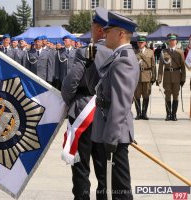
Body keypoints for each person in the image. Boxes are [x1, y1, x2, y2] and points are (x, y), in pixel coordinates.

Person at [61, 7, 112, 200]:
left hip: (83, 111)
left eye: (92, 27)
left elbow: (69, 84)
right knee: (103, 168)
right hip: (106, 115)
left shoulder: (86, 52)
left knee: (81, 167)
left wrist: (71, 102)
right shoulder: (118, 53)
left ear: (99, 30)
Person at [91, 11, 139, 200]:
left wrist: (110, 138)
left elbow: (120, 103)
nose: (104, 34)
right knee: (111, 186)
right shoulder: (118, 55)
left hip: (114, 134)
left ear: (120, 34)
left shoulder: (124, 59)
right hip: (108, 129)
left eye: (109, 31)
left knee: (119, 189)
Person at [157, 33, 186, 121]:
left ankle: (174, 114)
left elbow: (183, 67)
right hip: (167, 77)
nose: (172, 42)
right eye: (170, 40)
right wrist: (159, 79)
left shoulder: (180, 52)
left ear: (176, 41)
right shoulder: (164, 52)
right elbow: (161, 67)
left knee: (176, 96)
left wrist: (183, 79)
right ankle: (168, 114)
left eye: (173, 40)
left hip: (177, 76)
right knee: (167, 96)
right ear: (168, 41)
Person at [134, 36, 156, 120]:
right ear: (137, 43)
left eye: (142, 42)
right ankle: (138, 113)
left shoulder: (150, 52)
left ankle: (144, 113)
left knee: (146, 95)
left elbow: (153, 65)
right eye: (139, 42)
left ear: (145, 43)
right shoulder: (134, 52)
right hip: (137, 77)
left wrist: (153, 77)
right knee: (137, 96)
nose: (140, 44)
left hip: (147, 75)